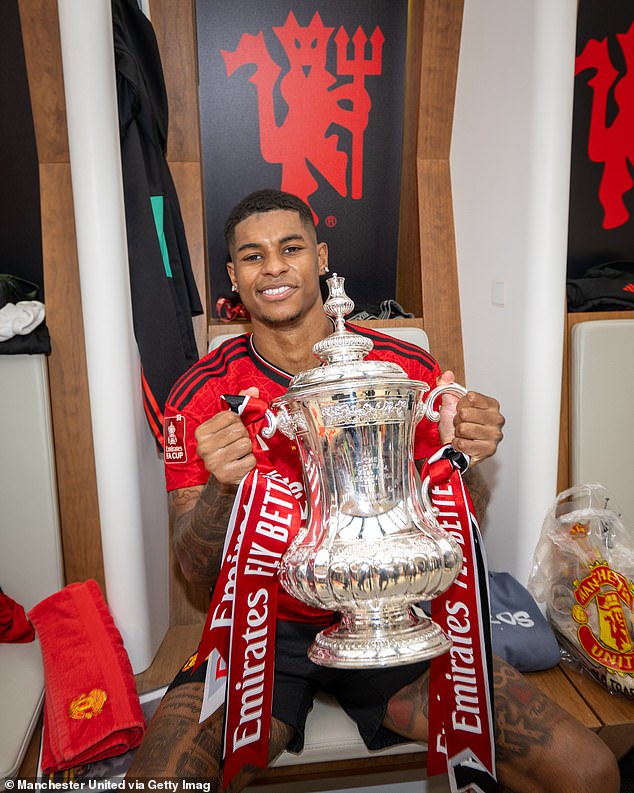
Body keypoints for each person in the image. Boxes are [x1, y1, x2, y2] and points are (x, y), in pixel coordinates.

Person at [128, 189, 620, 792]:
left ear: (321, 256)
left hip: (392, 611)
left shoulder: (404, 370)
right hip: (265, 628)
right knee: (157, 783)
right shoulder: (201, 394)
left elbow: (466, 524)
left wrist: (459, 457)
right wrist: (222, 489)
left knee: (590, 773)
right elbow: (194, 568)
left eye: (291, 248)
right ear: (234, 277)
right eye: (253, 257)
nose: (275, 267)